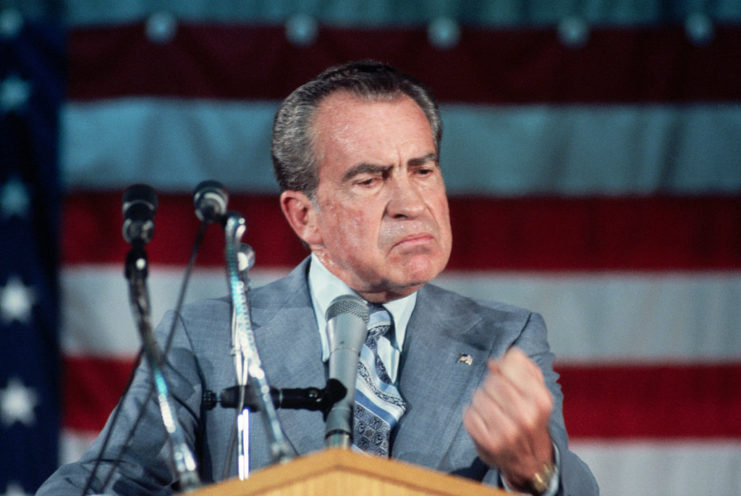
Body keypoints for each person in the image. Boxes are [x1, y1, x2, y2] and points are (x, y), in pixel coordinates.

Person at [37, 61, 598, 495]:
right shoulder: (205, 338)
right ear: (305, 217)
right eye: (370, 180)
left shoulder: (505, 337)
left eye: (423, 170)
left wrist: (535, 470)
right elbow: (97, 483)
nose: (411, 204)